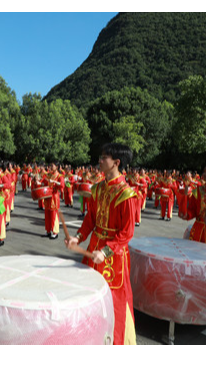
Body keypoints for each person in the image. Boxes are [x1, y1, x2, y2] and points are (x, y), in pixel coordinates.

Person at [64, 143, 138, 345]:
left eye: (104, 157)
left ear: (116, 162)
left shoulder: (127, 194)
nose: (100, 160)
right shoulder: (97, 189)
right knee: (90, 295)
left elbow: (126, 233)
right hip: (94, 249)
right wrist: (77, 238)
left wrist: (106, 251)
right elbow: (90, 220)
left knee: (114, 302)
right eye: (101, 156)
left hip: (113, 255)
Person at [41, 162, 65, 239]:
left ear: (57, 167)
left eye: (52, 165)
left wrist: (54, 182)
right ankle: (48, 230)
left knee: (54, 214)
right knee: (47, 214)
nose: (50, 167)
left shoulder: (59, 176)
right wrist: (39, 181)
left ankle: (55, 232)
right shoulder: (49, 175)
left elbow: (62, 185)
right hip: (47, 196)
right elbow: (44, 181)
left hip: (54, 196)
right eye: (50, 165)